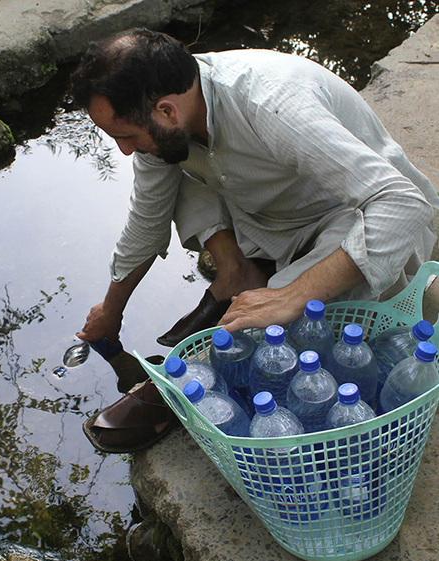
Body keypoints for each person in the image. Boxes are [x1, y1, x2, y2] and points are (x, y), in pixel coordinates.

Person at [73, 28, 439, 453]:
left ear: (167, 110)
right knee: (168, 169)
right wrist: (109, 311)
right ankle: (236, 271)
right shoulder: (168, 115)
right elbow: (146, 220)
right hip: (266, 216)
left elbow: (404, 204)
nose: (122, 150)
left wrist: (295, 295)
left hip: (346, 215)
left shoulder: (271, 103)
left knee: (287, 319)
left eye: (126, 135)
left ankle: (196, 381)